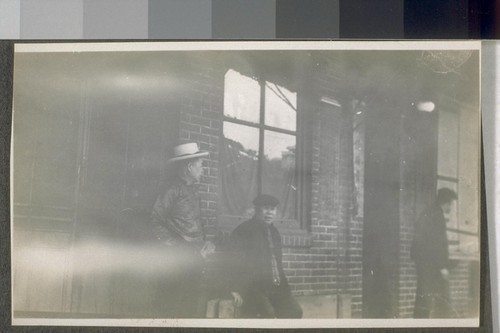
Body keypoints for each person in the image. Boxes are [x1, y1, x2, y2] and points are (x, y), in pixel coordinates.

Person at [151, 142, 215, 318]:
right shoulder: (171, 190)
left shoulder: (194, 191)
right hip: (177, 262)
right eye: (200, 165)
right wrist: (176, 248)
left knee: (190, 305)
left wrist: (205, 243)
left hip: (195, 259)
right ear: (189, 167)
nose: (203, 170)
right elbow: (155, 222)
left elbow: (193, 224)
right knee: (173, 307)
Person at [228, 194, 303, 318]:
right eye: (266, 208)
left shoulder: (275, 233)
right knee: (268, 314)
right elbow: (233, 261)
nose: (270, 213)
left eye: (272, 209)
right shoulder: (244, 231)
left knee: (295, 311)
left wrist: (286, 291)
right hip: (253, 288)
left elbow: (278, 264)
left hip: (276, 288)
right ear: (257, 210)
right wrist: (234, 289)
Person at [411, 187, 458, 318]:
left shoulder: (429, 212)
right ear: (446, 202)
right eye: (451, 204)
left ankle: (420, 321)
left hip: (423, 262)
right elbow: (438, 243)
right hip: (429, 263)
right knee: (429, 297)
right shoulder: (437, 216)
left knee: (423, 295)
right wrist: (443, 266)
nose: (451, 208)